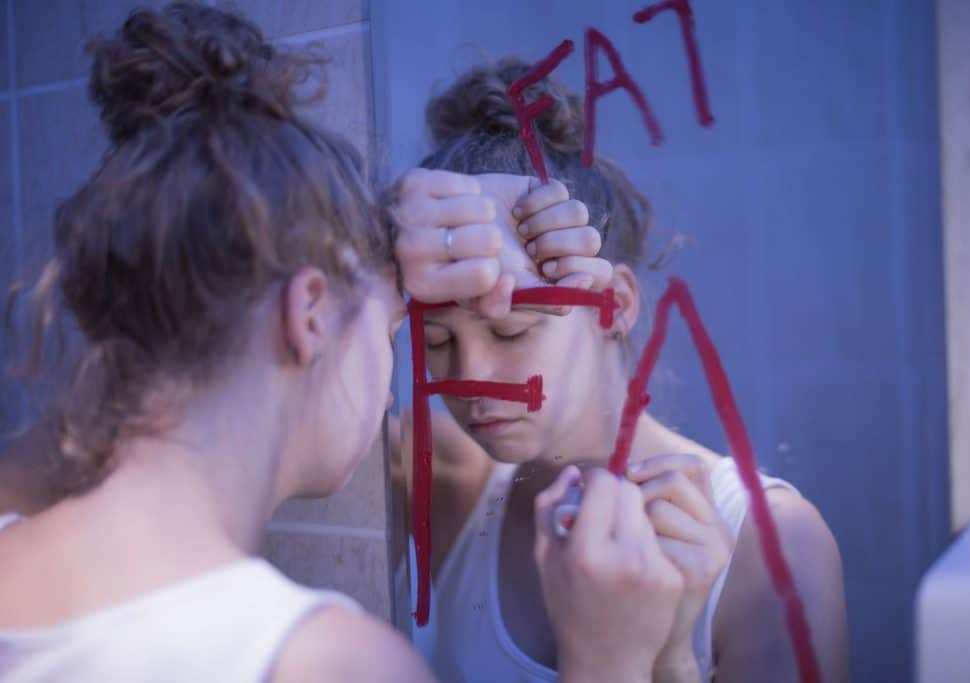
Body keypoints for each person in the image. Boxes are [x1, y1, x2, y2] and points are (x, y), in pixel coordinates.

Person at [0, 4, 685, 682]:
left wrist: (357, 262)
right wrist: (612, 659)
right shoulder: (324, 662)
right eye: (398, 322)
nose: (453, 371)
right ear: (309, 316)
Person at [402, 58, 851, 682]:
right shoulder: (449, 480)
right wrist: (377, 256)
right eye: (436, 339)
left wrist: (669, 662)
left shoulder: (772, 547)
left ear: (613, 304)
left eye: (511, 330)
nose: (471, 376)